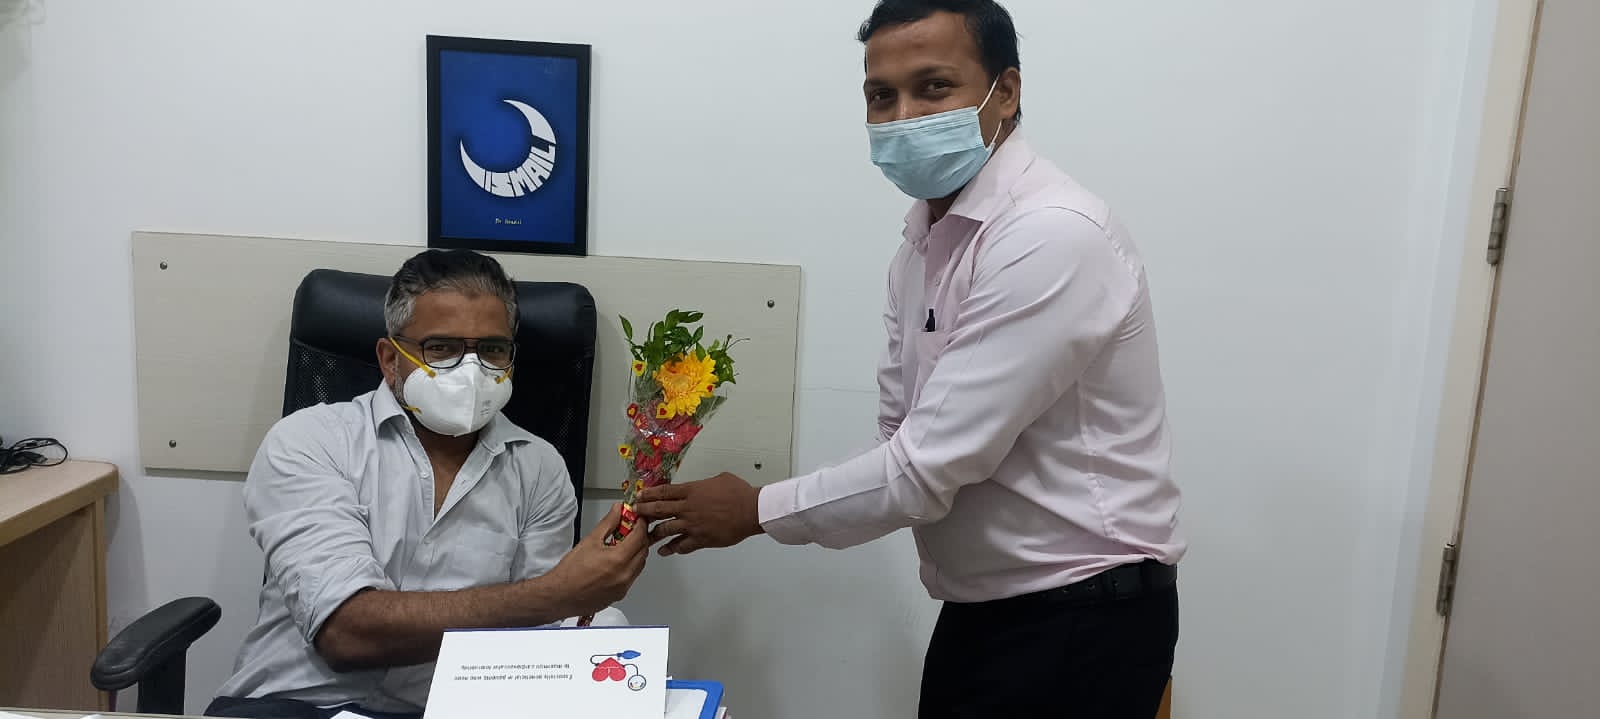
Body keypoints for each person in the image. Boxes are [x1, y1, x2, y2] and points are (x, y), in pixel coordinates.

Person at [635, 1, 1184, 716]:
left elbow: (923, 470)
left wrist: (756, 510)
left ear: (1005, 92)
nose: (904, 117)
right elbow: (899, 445)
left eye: (933, 87)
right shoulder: (921, 248)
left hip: (1080, 614)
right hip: (988, 610)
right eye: (880, 96)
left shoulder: (1050, 236)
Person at [208, 250, 650, 719]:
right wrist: (556, 594)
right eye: (441, 348)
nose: (472, 371)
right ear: (389, 359)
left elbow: (536, 639)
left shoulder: (539, 467)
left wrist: (588, 612)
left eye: (492, 350)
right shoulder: (313, 441)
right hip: (295, 705)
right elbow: (346, 633)